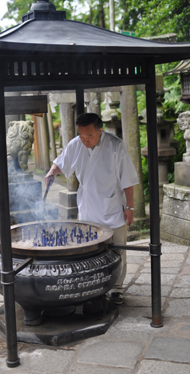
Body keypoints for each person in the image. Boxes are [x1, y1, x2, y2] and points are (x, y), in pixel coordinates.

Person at [44, 112, 138, 305]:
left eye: (89, 136)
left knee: (118, 249)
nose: (85, 140)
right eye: (81, 135)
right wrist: (52, 172)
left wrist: (130, 206)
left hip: (112, 206)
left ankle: (117, 289)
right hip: (88, 208)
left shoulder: (115, 146)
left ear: (100, 131)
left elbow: (128, 180)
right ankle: (97, 286)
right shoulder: (75, 144)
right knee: (93, 253)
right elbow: (61, 162)